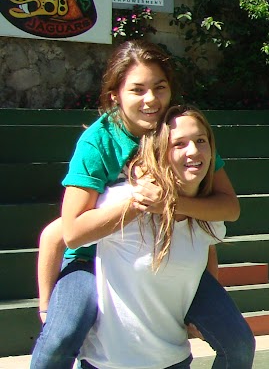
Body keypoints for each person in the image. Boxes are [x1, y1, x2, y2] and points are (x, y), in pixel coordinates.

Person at [31, 39, 253, 369]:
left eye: (159, 88)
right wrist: (138, 202)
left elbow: (228, 207)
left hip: (168, 259)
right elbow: (71, 232)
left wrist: (169, 203)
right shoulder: (98, 141)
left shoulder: (180, 132)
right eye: (137, 90)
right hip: (93, 260)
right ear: (114, 95)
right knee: (58, 341)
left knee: (238, 343)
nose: (151, 100)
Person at [79, 106, 227, 369]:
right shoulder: (128, 199)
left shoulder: (207, 214)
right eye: (178, 143)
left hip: (174, 361)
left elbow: (207, 247)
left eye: (200, 141)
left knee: (240, 345)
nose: (193, 151)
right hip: (110, 364)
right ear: (159, 152)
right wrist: (46, 308)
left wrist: (202, 311)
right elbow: (60, 236)